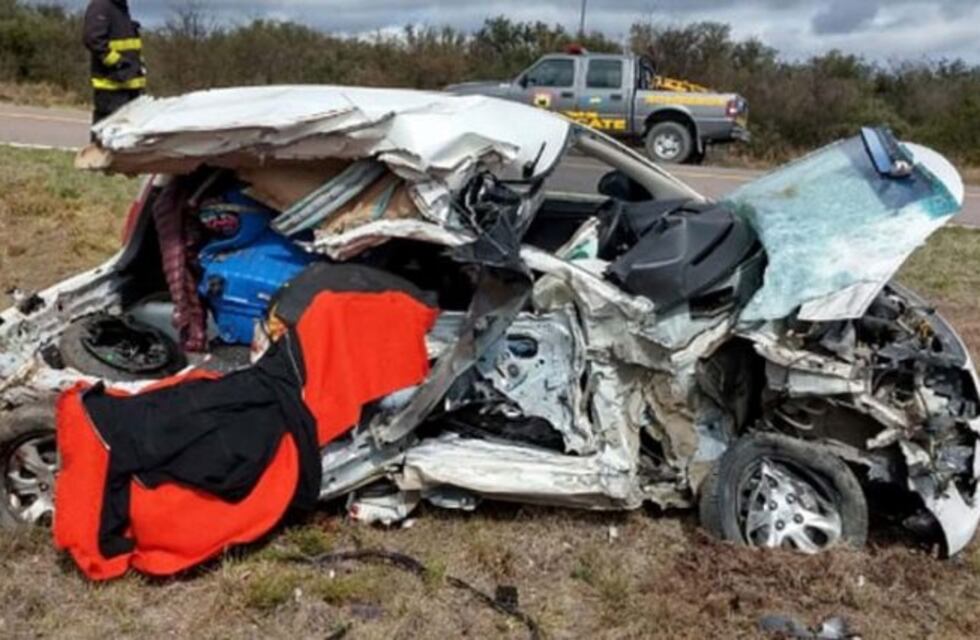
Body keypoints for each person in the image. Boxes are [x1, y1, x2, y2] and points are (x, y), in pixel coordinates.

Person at [82, 0, 146, 126]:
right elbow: (93, 40)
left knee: (125, 136)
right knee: (107, 135)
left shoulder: (120, 7)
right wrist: (118, 63)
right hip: (111, 89)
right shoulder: (101, 5)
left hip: (129, 87)